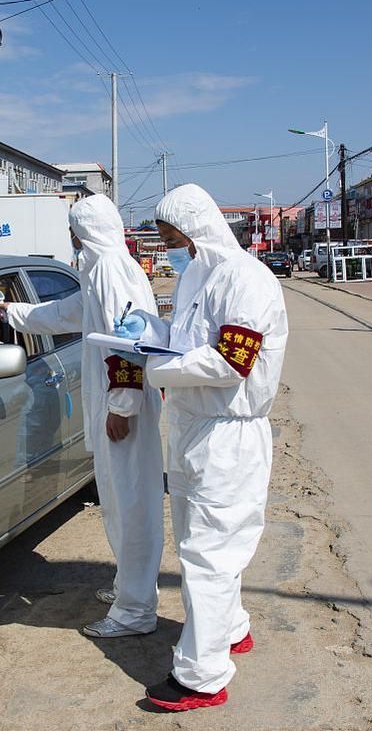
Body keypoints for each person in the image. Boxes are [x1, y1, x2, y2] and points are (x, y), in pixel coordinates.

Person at [116, 183, 288, 712]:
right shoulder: (197, 275)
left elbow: (232, 361)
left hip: (228, 437)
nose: (172, 248)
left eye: (174, 237)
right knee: (201, 545)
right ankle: (230, 628)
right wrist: (152, 330)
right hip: (192, 430)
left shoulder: (246, 279)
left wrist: (158, 365)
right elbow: (191, 338)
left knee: (209, 554)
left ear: (197, 229)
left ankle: (201, 675)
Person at [0, 193, 165, 638]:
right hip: (117, 403)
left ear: (86, 232)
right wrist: (9, 312)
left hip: (123, 407)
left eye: (74, 231)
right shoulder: (99, 272)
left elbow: (124, 340)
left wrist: (121, 406)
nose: (71, 239)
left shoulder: (111, 270)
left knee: (130, 505)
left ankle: (135, 612)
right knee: (119, 502)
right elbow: (61, 314)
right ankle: (133, 590)